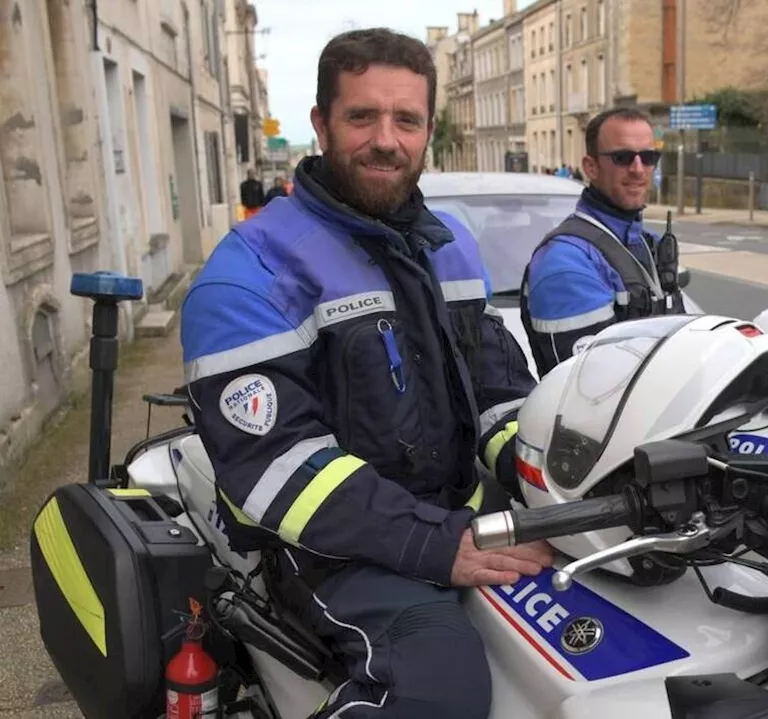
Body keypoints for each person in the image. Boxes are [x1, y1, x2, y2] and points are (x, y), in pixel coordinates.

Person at [179, 28, 550, 718]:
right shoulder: (250, 273)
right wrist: (438, 544)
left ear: (428, 130)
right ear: (320, 124)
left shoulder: (451, 245)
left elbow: (502, 397)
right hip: (322, 550)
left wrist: (561, 481)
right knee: (440, 684)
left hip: (453, 518)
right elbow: (278, 468)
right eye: (362, 116)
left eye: (406, 119)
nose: (386, 139)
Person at [519, 107, 685, 375]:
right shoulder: (565, 264)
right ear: (591, 167)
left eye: (648, 157)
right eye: (623, 157)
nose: (638, 169)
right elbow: (596, 389)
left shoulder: (642, 243)